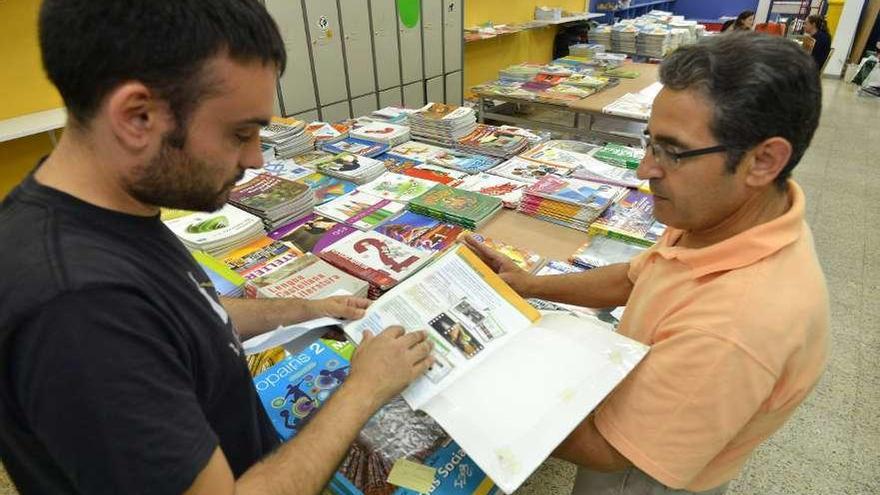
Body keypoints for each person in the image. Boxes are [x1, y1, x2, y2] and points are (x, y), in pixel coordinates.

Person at [0, 1, 433, 494]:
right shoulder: (78, 310)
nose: (254, 159)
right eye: (240, 133)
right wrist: (364, 388)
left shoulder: (110, 208)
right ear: (137, 117)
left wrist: (308, 308)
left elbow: (183, 314)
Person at [465, 32, 828, 495]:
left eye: (672, 151)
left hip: (639, 475)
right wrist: (527, 285)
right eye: (649, 142)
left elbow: (609, 450)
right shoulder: (728, 217)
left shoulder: (740, 322)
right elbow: (639, 276)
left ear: (764, 160)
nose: (644, 170)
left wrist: (482, 380)